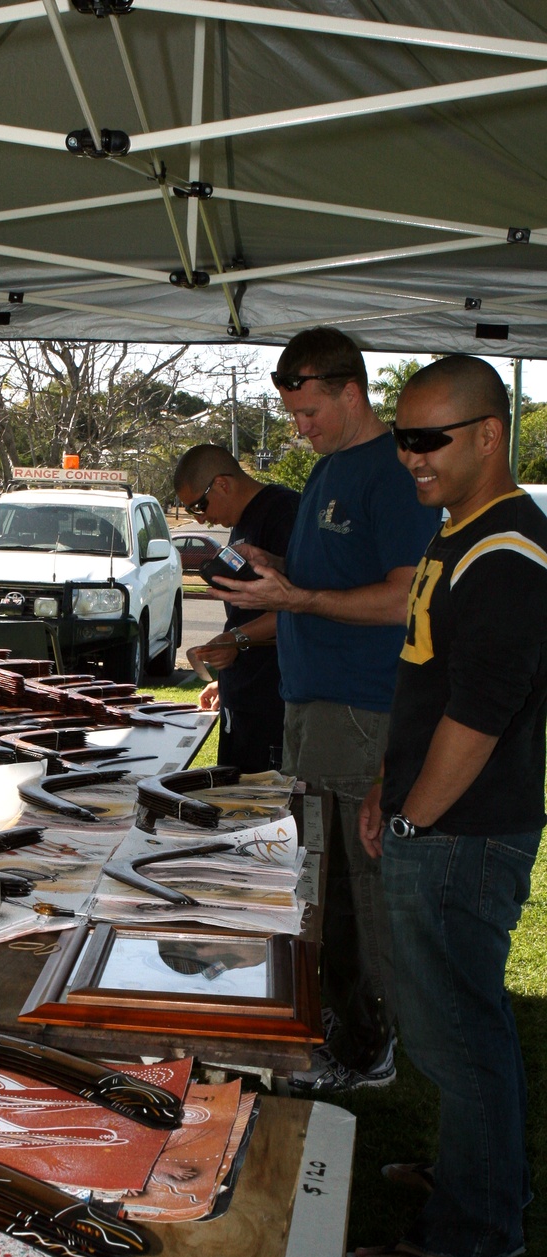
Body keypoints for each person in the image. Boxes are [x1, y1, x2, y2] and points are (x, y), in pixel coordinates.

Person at [351, 354, 547, 1257]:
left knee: (461, 1037)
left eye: (429, 440)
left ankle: (472, 1239)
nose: (411, 457)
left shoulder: (508, 550)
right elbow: (428, 682)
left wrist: (415, 820)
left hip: (464, 835)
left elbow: (481, 712)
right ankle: (478, 1178)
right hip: (440, 819)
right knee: (457, 1031)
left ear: (487, 435)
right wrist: (391, 789)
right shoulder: (460, 530)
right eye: (402, 438)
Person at [208, 328, 438, 1091]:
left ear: (351, 391)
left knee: (352, 892)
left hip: (361, 711)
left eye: (309, 413)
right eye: (293, 416)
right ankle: (340, 1030)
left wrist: (296, 595)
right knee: (315, 883)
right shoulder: (333, 471)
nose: (300, 430)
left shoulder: (392, 473)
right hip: (312, 709)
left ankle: (368, 1048)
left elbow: (406, 596)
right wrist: (279, 571)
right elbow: (330, 581)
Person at [173, 445, 299, 773]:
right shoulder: (244, 521)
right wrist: (226, 681)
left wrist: (236, 640)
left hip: (273, 702)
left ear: (223, 484)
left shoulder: (282, 514)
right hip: (244, 695)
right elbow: (249, 611)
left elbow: (299, 604)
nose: (200, 518)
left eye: (199, 505)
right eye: (190, 512)